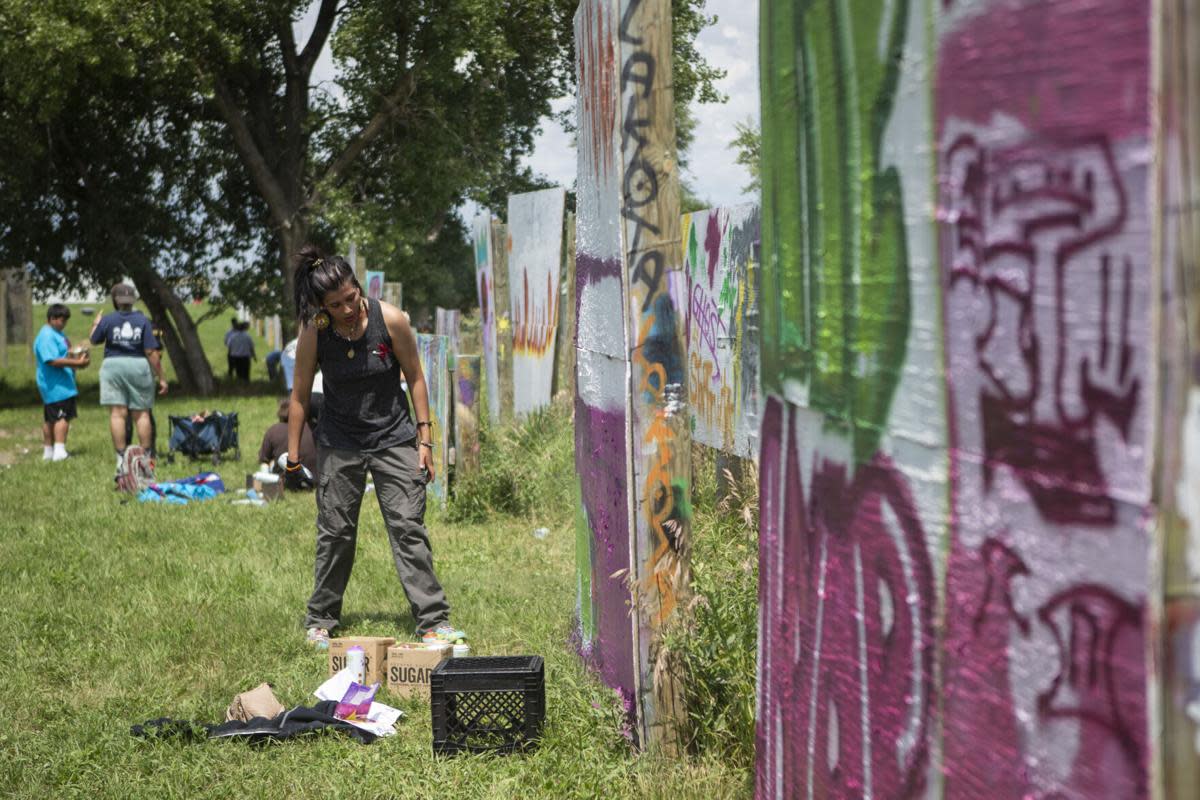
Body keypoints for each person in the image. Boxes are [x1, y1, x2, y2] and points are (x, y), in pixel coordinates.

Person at [286, 245, 464, 648]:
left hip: (394, 436)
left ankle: (434, 621)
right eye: (336, 304)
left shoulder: (392, 320)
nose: (347, 309)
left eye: (351, 298)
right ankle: (321, 619)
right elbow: (298, 396)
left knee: (407, 526)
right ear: (322, 306)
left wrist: (426, 440)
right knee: (335, 532)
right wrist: (294, 457)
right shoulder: (315, 331)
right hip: (339, 440)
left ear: (357, 287)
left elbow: (416, 377)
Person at [90, 283, 168, 480]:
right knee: (141, 414)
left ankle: (121, 460)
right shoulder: (142, 321)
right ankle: (145, 459)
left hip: (112, 366)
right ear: (133, 300)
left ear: (116, 300)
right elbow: (151, 351)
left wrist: (96, 323)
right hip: (138, 366)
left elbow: (93, 340)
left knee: (117, 414)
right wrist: (162, 377)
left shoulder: (107, 320)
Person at [33, 304, 89, 461]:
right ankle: (59, 451)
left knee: (50, 418)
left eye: (65, 320)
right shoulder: (46, 336)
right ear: (51, 318)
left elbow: (64, 351)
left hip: (60, 383)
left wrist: (76, 354)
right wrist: (77, 364)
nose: (64, 323)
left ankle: (49, 451)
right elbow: (52, 360)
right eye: (61, 320)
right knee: (61, 417)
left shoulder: (56, 333)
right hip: (57, 384)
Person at [258, 396, 318, 482]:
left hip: (287, 479)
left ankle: (265, 482)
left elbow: (264, 459)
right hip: (315, 478)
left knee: (270, 463)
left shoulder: (274, 430)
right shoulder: (315, 428)